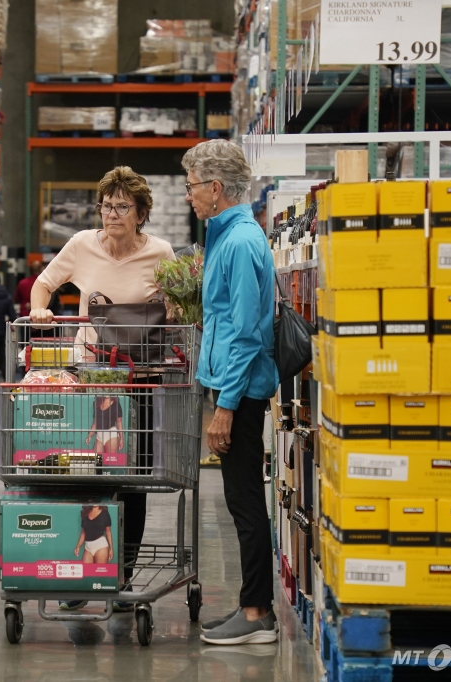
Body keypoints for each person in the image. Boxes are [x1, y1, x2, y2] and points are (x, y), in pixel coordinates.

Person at [31, 166, 175, 610]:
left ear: (141, 212)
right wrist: (40, 310)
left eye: (122, 206)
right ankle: (84, 577)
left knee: (132, 478)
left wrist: (171, 316)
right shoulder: (81, 245)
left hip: (141, 379)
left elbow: (176, 306)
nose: (112, 213)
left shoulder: (161, 252)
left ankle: (124, 576)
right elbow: (44, 284)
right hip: (91, 377)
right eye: (107, 205)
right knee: (86, 471)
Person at [183, 139, 280, 645]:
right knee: (239, 499)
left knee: (244, 502)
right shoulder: (227, 236)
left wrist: (224, 406)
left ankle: (257, 611)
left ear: (216, 189)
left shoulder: (240, 242)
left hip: (239, 394)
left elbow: (245, 333)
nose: (189, 197)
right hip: (230, 389)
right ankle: (252, 604)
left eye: (193, 187)